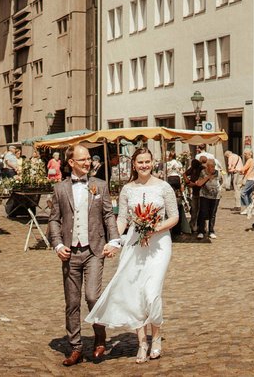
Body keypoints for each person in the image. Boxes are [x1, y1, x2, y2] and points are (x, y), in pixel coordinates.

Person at [86, 148, 178, 363]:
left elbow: (174, 217)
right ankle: (142, 342)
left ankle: (156, 337)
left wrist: (154, 228)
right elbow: (123, 220)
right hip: (135, 244)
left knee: (152, 292)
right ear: (134, 165)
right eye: (140, 162)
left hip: (159, 243)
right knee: (135, 293)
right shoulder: (127, 189)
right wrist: (115, 241)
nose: (144, 165)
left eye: (147, 161)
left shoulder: (164, 187)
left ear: (152, 162)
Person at [47, 144, 120, 366]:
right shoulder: (60, 189)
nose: (88, 162)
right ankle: (76, 347)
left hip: (94, 249)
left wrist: (114, 239)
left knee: (92, 296)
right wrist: (58, 245)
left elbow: (108, 215)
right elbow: (53, 219)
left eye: (89, 159)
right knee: (72, 302)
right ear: (71, 163)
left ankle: (99, 337)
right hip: (70, 252)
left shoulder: (100, 185)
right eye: (83, 160)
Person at [195, 156, 223, 239]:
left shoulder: (218, 173)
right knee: (203, 213)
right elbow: (199, 183)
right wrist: (207, 177)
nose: (213, 168)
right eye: (211, 166)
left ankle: (211, 231)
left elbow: (221, 181)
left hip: (215, 196)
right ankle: (201, 231)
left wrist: (218, 189)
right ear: (207, 166)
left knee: (213, 213)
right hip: (204, 195)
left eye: (214, 166)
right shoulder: (203, 172)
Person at [185, 153, 207, 229]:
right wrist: (187, 182)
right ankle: (193, 224)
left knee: (200, 210)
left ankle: (201, 225)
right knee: (194, 210)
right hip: (195, 192)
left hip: (202, 193)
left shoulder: (202, 169)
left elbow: (202, 181)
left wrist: (193, 184)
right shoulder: (192, 168)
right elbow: (184, 174)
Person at [238, 148, 254, 214]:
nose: (244, 155)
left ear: (249, 154)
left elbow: (244, 168)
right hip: (251, 178)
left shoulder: (249, 160)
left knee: (243, 193)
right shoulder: (250, 160)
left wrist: (237, 169)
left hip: (249, 178)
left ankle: (248, 207)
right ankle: (252, 209)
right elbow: (246, 169)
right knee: (249, 194)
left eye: (245, 153)